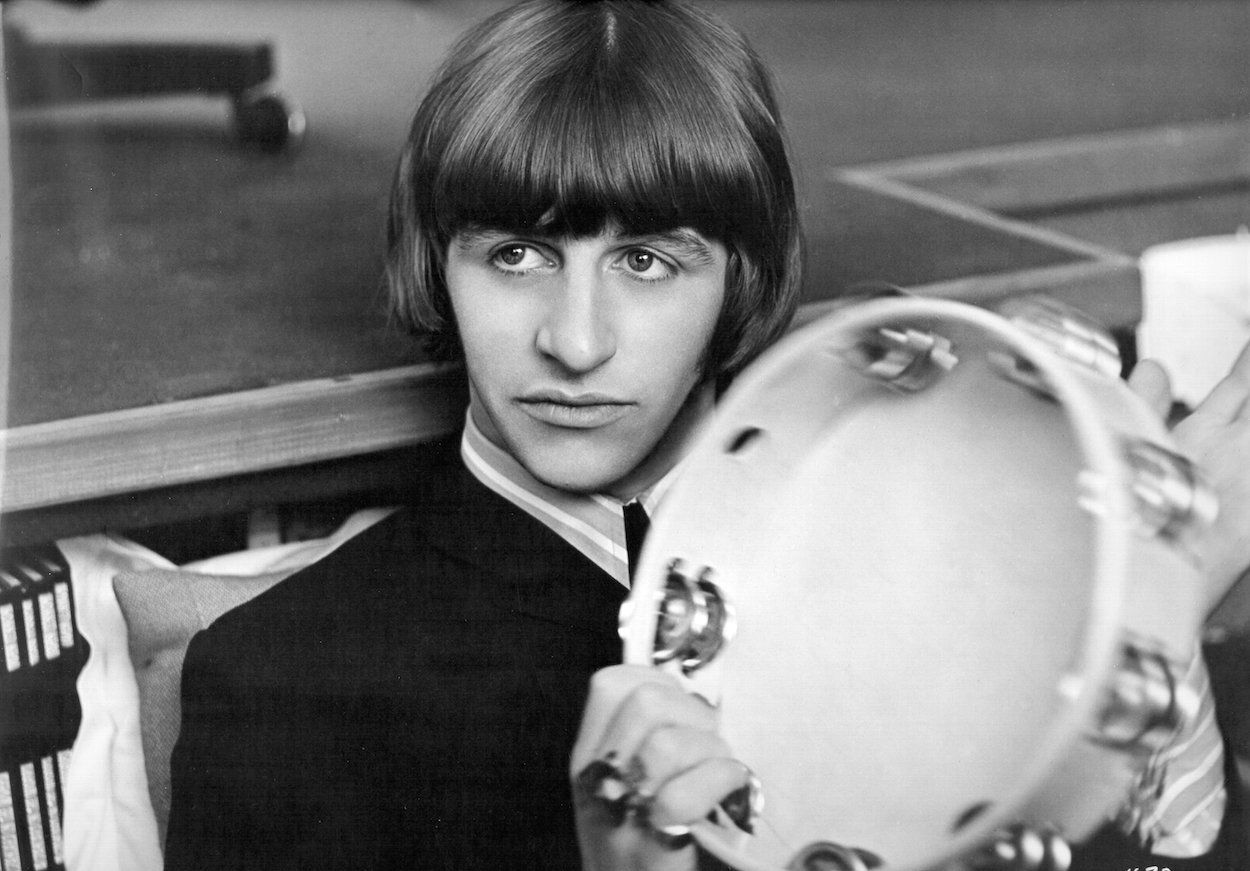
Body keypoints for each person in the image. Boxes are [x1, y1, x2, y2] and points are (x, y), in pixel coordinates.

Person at [162, 1, 1250, 870]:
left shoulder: (920, 559)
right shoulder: (282, 687)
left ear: (743, 276)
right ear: (435, 267)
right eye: (515, 255)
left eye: (645, 261)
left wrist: (1135, 624)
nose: (575, 343)